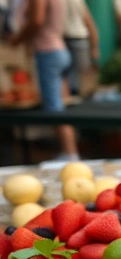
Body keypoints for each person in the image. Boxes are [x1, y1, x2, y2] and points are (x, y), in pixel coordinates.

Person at [10, 0, 78, 160]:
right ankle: (70, 152)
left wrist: (18, 39)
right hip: (59, 49)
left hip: (48, 52)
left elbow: (36, 21)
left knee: (53, 106)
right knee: (60, 104)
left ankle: (70, 153)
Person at [62, 0, 97, 96]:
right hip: (78, 39)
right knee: (80, 78)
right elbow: (89, 22)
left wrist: (94, 46)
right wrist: (94, 47)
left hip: (67, 38)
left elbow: (89, 22)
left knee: (74, 78)